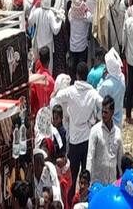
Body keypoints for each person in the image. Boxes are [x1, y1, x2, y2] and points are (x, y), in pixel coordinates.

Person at [50, 61, 102, 198]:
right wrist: (95, 118)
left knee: (72, 176)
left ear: (77, 75)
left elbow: (57, 97)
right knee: (86, 173)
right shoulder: (92, 93)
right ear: (86, 76)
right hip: (86, 138)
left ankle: (70, 201)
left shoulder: (71, 91)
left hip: (74, 140)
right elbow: (103, 103)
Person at [86, 95, 124, 185]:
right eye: (102, 112)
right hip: (98, 183)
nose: (103, 115)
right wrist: (88, 180)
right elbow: (90, 157)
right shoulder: (95, 131)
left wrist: (122, 179)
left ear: (112, 112)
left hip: (112, 183)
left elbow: (120, 160)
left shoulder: (118, 133)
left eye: (106, 112)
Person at [97, 48, 126, 128]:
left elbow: (98, 95)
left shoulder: (106, 85)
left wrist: (102, 79)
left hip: (108, 122)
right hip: (119, 120)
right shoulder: (122, 78)